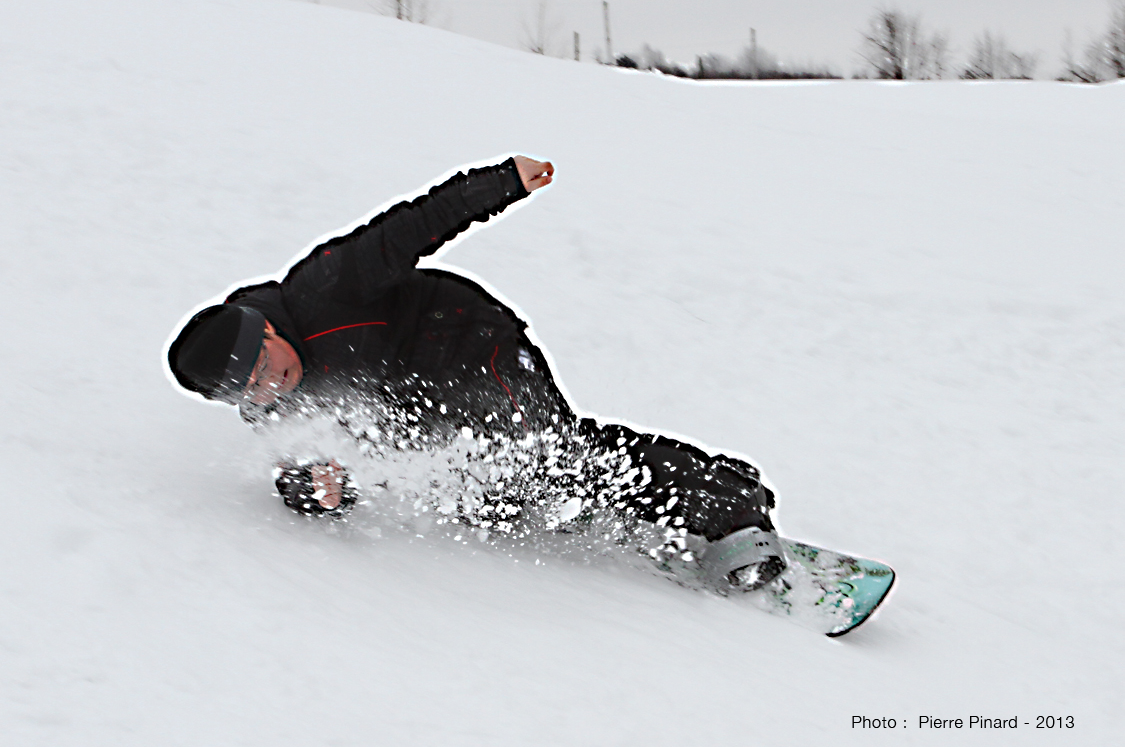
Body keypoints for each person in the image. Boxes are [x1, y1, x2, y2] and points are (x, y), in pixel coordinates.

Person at [166, 155, 785, 591]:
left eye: (266, 371)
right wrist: (314, 493)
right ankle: (644, 496)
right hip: (414, 397)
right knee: (491, 498)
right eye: (247, 393)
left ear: (266, 331)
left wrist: (501, 183)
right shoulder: (268, 405)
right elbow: (302, 471)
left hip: (464, 342)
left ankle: (733, 511)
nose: (269, 390)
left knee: (549, 457)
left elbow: (407, 228)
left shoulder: (323, 288)